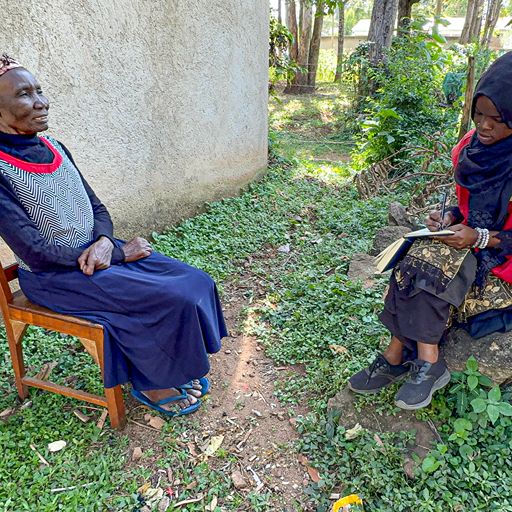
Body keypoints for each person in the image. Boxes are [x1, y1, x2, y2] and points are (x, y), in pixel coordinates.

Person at [0, 55, 228, 417]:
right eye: (24, 95)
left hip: (98, 254)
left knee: (194, 281)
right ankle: (153, 383)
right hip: (52, 277)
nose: (41, 102)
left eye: (39, 90)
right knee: (169, 298)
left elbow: (97, 207)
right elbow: (36, 252)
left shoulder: (55, 147)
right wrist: (119, 254)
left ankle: (175, 367)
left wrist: (107, 242)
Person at [348, 51, 512, 410]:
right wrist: (449, 218)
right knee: (416, 255)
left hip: (503, 262)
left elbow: (491, 229)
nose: (484, 126)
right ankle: (400, 356)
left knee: (434, 264)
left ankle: (423, 360)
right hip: (469, 243)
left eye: (497, 119)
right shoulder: (468, 149)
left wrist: (481, 237)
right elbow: (466, 208)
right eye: (478, 114)